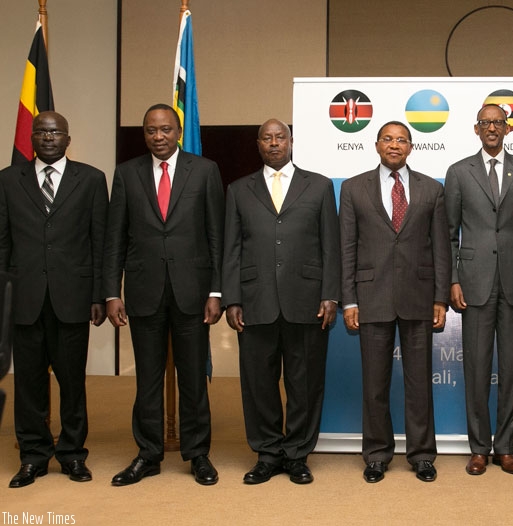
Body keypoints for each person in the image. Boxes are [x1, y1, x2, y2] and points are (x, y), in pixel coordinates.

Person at [104, 104, 224, 486]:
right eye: (151, 130)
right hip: (143, 292)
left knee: (192, 378)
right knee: (148, 380)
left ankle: (198, 454)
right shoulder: (126, 174)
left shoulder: (204, 171)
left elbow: (216, 237)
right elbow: (115, 239)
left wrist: (216, 290)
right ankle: (148, 454)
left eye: (166, 129)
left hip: (193, 292)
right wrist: (111, 291)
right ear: (144, 134)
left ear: (177, 132)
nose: (159, 136)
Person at [223, 119, 340, 485]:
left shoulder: (318, 186)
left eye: (281, 137)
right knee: (258, 382)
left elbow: (330, 245)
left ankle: (297, 454)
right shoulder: (239, 190)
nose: (274, 143)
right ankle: (268, 453)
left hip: (306, 300)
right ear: (258, 144)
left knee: (304, 383)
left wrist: (330, 294)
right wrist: (232, 298)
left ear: (291, 141)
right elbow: (231, 248)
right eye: (267, 138)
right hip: (255, 300)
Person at [0, 112, 108, 488]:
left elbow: (100, 243)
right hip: (25, 300)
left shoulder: (92, 180)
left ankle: (73, 455)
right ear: (31, 137)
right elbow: (2, 244)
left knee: (72, 383)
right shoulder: (8, 180)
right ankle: (33, 457)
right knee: (28, 383)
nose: (48, 137)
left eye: (56, 131)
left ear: (67, 138)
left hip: (74, 298)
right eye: (42, 132)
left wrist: (98, 294)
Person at [339, 120, 450, 483]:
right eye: (387, 138)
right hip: (370, 298)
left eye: (401, 140)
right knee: (375, 383)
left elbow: (441, 249)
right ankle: (376, 454)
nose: (394, 145)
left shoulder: (431, 190)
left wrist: (440, 298)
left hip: (419, 298)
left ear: (411, 147)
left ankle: (421, 455)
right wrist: (349, 300)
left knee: (419, 383)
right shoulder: (354, 189)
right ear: (376, 145)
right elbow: (347, 248)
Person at [444, 104, 513, 476]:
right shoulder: (458, 171)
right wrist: (452, 278)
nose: (493, 128)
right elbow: (449, 233)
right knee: (477, 370)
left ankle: (507, 448)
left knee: (512, 369)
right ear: (476, 129)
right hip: (474, 282)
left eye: (499, 122)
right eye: (486, 123)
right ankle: (479, 447)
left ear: (508, 129)